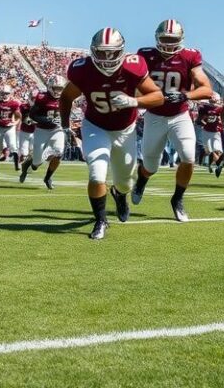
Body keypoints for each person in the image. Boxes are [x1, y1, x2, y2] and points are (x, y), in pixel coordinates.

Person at [60, 27, 164, 240]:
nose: (107, 59)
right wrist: (64, 125)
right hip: (95, 126)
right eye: (101, 52)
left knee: (125, 181)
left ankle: (120, 194)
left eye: (112, 53)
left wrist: (134, 101)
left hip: (125, 130)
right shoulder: (83, 70)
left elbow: (158, 96)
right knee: (97, 173)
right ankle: (100, 220)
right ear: (92, 51)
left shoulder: (132, 68)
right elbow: (66, 97)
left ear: (122, 51)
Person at [132, 19, 213, 221]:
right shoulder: (145, 55)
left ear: (180, 39)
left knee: (188, 157)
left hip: (180, 115)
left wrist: (186, 95)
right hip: (154, 116)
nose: (168, 43)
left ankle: (177, 199)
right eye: (165, 38)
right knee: (151, 166)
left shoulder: (190, 56)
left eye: (172, 39)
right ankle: (141, 181)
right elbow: (133, 84)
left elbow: (206, 89)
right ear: (157, 38)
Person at [20, 76, 67, 190]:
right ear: (50, 87)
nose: (58, 91)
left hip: (57, 130)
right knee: (37, 163)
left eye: (60, 88)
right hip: (41, 130)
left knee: (59, 152)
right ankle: (28, 164)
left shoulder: (66, 98)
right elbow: (33, 114)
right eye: (55, 88)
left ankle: (48, 178)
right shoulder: (42, 97)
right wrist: (47, 120)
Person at [0, 84, 21, 177]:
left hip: (9, 127)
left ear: (10, 93)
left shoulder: (14, 103)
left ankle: (17, 165)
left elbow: (19, 116)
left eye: (6, 93)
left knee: (13, 146)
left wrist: (14, 123)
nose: (4, 95)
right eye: (3, 93)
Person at [197, 93, 224, 175]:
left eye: (215, 100)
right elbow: (199, 120)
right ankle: (217, 165)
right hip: (207, 132)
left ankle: (213, 165)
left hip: (217, 132)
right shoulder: (204, 108)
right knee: (210, 151)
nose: (213, 102)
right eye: (212, 101)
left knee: (218, 150)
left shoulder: (221, 109)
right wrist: (204, 123)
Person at [17, 90, 37, 166]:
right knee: (24, 152)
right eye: (33, 98)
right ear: (30, 98)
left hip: (35, 132)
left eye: (35, 98)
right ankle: (21, 164)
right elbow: (18, 115)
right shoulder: (23, 106)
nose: (34, 100)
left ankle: (28, 166)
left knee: (32, 151)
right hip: (24, 131)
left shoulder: (39, 107)